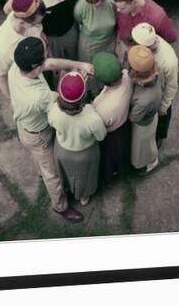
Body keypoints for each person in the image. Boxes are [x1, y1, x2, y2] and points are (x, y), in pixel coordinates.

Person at [8, 37, 94, 222]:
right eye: (44, 56)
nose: (48, 57)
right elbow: (63, 102)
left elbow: (50, 63)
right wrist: (78, 83)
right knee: (52, 174)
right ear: (35, 66)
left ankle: (41, 170)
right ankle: (60, 206)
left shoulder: (16, 68)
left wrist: (79, 64)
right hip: (39, 136)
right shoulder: (39, 97)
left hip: (26, 127)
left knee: (42, 164)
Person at [4, 0, 91, 86]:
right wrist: (30, 25)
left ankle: (78, 82)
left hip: (71, 28)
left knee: (73, 59)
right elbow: (7, 8)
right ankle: (62, 87)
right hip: (51, 35)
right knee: (57, 66)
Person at [48, 72, 107, 206]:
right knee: (86, 177)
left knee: (66, 173)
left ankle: (67, 189)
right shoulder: (92, 117)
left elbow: (51, 123)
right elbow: (101, 136)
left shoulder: (54, 111)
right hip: (86, 154)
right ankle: (84, 197)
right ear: (84, 96)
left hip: (62, 151)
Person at [131, 22, 178, 149]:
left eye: (136, 43)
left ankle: (159, 137)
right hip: (147, 86)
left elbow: (172, 86)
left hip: (161, 92)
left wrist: (164, 107)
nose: (134, 45)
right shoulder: (147, 42)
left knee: (162, 119)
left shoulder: (169, 61)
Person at [0, 0, 46, 98]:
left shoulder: (25, 13)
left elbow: (39, 30)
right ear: (22, 22)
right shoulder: (2, 47)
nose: (38, 25)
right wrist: (12, 99)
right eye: (36, 23)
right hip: (25, 82)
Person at [112, 0, 177, 63]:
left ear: (134, 2)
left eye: (122, 8)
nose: (118, 10)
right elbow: (119, 26)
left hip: (145, 56)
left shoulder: (157, 16)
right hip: (124, 46)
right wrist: (119, 43)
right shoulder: (119, 5)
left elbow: (171, 37)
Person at [92, 53, 133, 184]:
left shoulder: (101, 109)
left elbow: (99, 131)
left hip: (111, 135)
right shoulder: (127, 76)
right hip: (124, 124)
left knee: (110, 158)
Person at [73, 0, 116, 96]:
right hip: (89, 44)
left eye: (96, 1)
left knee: (106, 66)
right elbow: (79, 20)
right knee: (90, 69)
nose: (93, 5)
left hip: (109, 41)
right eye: (89, 1)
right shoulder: (80, 7)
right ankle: (92, 92)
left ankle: (106, 89)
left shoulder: (113, 0)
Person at [127, 45, 163, 174]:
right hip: (150, 116)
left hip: (142, 125)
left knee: (141, 149)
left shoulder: (144, 101)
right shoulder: (156, 68)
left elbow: (133, 117)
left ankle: (151, 162)